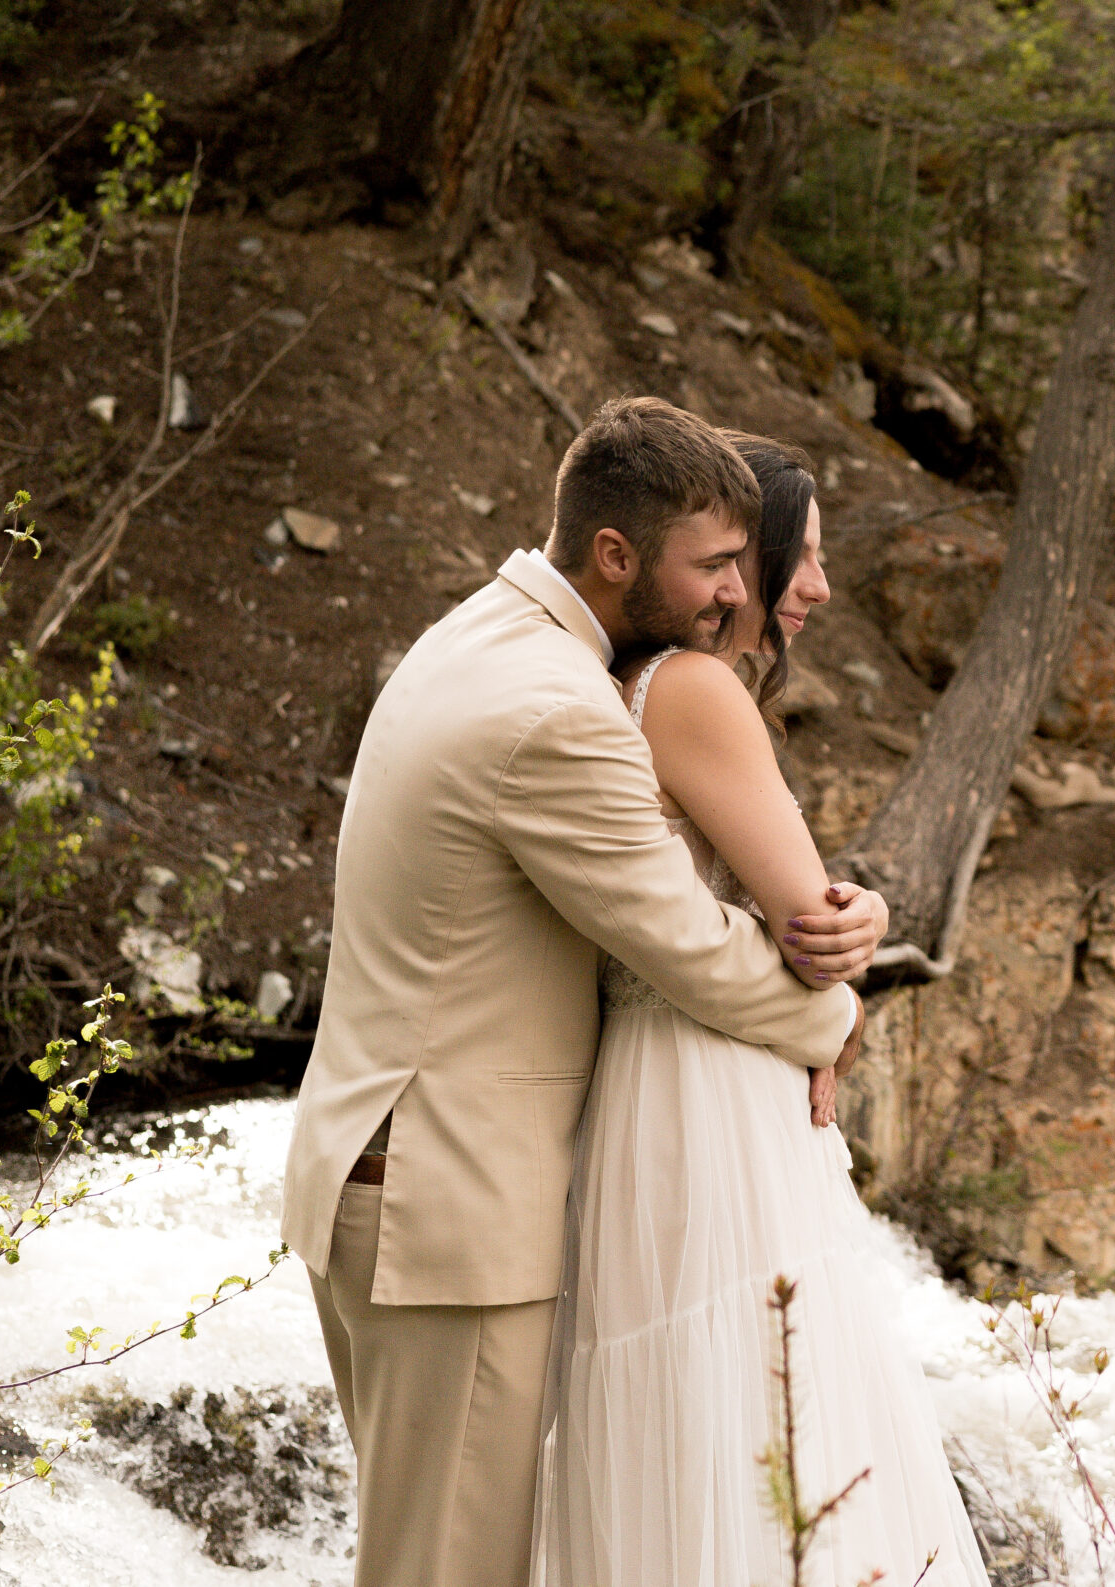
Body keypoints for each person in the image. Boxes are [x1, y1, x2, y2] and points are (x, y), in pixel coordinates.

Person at [279, 398, 889, 1587]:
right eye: (715, 564)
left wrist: (841, 911)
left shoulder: (483, 633)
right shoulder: (558, 710)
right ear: (616, 557)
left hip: (386, 1170)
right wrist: (835, 1018)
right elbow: (681, 942)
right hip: (445, 1205)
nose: (738, 591)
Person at [535, 434, 990, 1587]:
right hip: (709, 1093)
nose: (819, 589)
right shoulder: (692, 690)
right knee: (757, 1404)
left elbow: (816, 919)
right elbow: (808, 935)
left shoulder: (635, 685)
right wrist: (848, 968)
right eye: (804, 560)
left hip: (659, 1083)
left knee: (695, 1418)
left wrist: (862, 913)